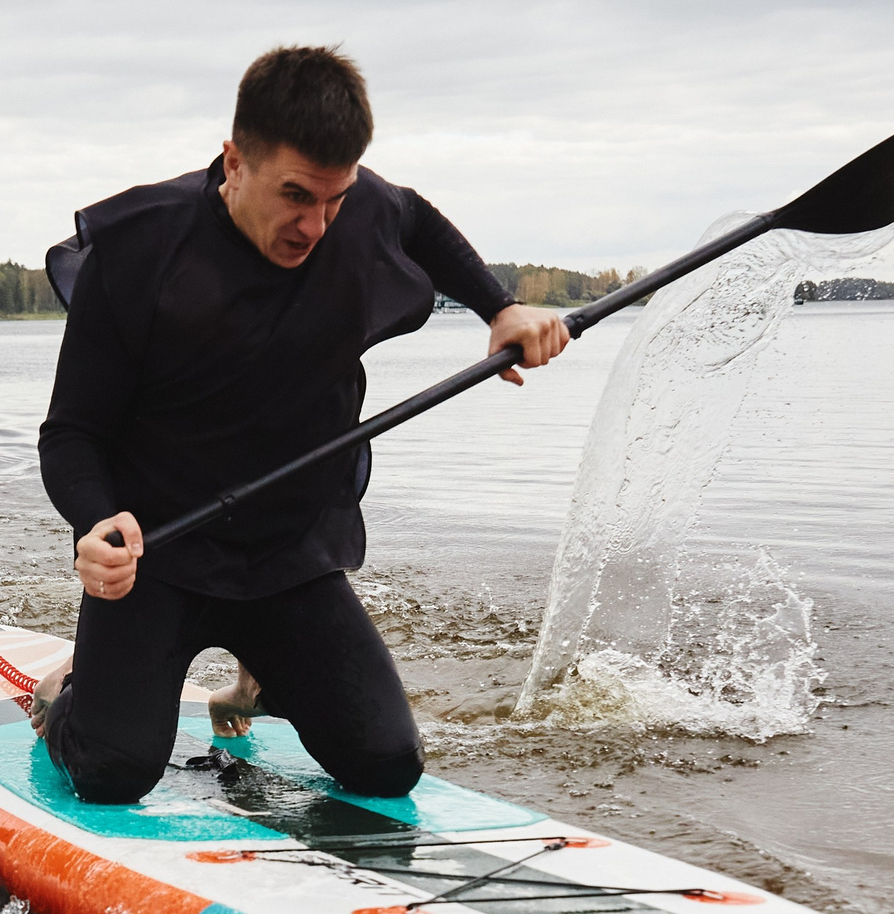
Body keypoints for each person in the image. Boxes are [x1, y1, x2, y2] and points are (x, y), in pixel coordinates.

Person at [31, 46, 569, 803]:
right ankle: (69, 692)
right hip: (159, 554)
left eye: (334, 199)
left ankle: (261, 678)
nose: (314, 225)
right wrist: (94, 523)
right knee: (113, 773)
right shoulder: (141, 247)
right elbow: (70, 433)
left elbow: (415, 219)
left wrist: (500, 308)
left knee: (387, 765)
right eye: (294, 196)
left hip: (288, 553)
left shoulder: (359, 207)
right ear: (234, 162)